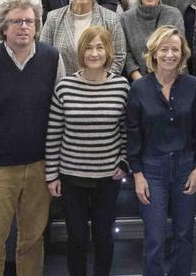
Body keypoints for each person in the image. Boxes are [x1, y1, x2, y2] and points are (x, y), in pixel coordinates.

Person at [0, 0, 63, 275]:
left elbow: (59, 109)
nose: (23, 27)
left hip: (39, 166)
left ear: (37, 26)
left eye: (29, 21)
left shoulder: (52, 59)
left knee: (32, 241)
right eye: (16, 21)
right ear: (3, 27)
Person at [45, 26, 130, 276]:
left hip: (107, 176)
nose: (94, 53)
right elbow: (53, 134)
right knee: (77, 237)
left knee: (104, 235)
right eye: (89, 47)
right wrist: (52, 175)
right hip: (72, 177)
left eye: (100, 47)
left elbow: (126, 130)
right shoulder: (65, 87)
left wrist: (123, 161)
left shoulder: (121, 87)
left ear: (108, 51)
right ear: (81, 52)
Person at [127, 26, 196, 276]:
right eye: (164, 49)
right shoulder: (139, 89)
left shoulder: (193, 86)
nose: (170, 55)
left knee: (184, 236)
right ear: (154, 53)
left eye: (175, 49)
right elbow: (133, 135)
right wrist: (138, 175)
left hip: (185, 167)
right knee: (155, 238)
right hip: (152, 170)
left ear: (183, 55)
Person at [39, 0, 127, 76]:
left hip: (101, 88)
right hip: (63, 87)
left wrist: (104, 82)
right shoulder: (53, 18)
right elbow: (44, 55)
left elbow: (119, 56)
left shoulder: (111, 19)